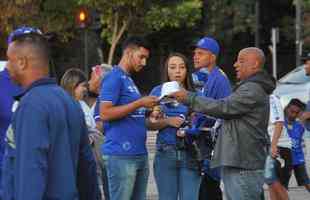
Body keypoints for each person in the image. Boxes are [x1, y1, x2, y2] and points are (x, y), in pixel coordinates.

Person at [169, 47, 275, 200]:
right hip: (241, 162)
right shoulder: (250, 87)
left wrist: (188, 98)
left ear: (255, 64)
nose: (235, 64)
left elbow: (224, 107)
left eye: (241, 61)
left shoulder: (252, 89)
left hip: (243, 165)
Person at [5, 31, 99, 199]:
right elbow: (87, 166)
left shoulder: (31, 105)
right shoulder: (71, 102)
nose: (7, 67)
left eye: (9, 61)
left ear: (21, 62)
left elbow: (31, 172)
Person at [99, 36, 158, 200]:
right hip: (121, 155)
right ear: (128, 52)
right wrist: (139, 103)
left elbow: (130, 112)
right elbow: (105, 113)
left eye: (146, 58)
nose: (144, 62)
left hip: (139, 153)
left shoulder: (128, 79)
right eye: (141, 57)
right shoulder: (113, 77)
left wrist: (148, 111)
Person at [146, 53, 201, 199]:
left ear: (187, 71)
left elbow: (203, 124)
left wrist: (190, 127)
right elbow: (148, 124)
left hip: (191, 155)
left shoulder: (195, 94)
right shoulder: (157, 92)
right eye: (173, 67)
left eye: (182, 67)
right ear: (166, 70)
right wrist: (167, 122)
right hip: (165, 153)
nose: (177, 71)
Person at [192, 36, 232, 200]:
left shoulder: (219, 79)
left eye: (201, 53)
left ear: (212, 57)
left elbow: (224, 115)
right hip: (206, 146)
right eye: (195, 53)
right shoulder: (208, 77)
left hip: (212, 149)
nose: (195, 56)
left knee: (210, 193)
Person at [264, 94, 291, 200]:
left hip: (280, 146)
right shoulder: (260, 100)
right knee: (271, 184)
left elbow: (279, 122)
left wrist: (274, 145)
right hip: (270, 146)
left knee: (273, 181)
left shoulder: (271, 99)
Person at [284, 99, 310, 193]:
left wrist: (304, 115)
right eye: (292, 111)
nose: (293, 115)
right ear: (287, 108)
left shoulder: (301, 125)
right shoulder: (280, 123)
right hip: (284, 159)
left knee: (306, 182)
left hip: (298, 159)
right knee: (282, 186)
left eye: (296, 112)